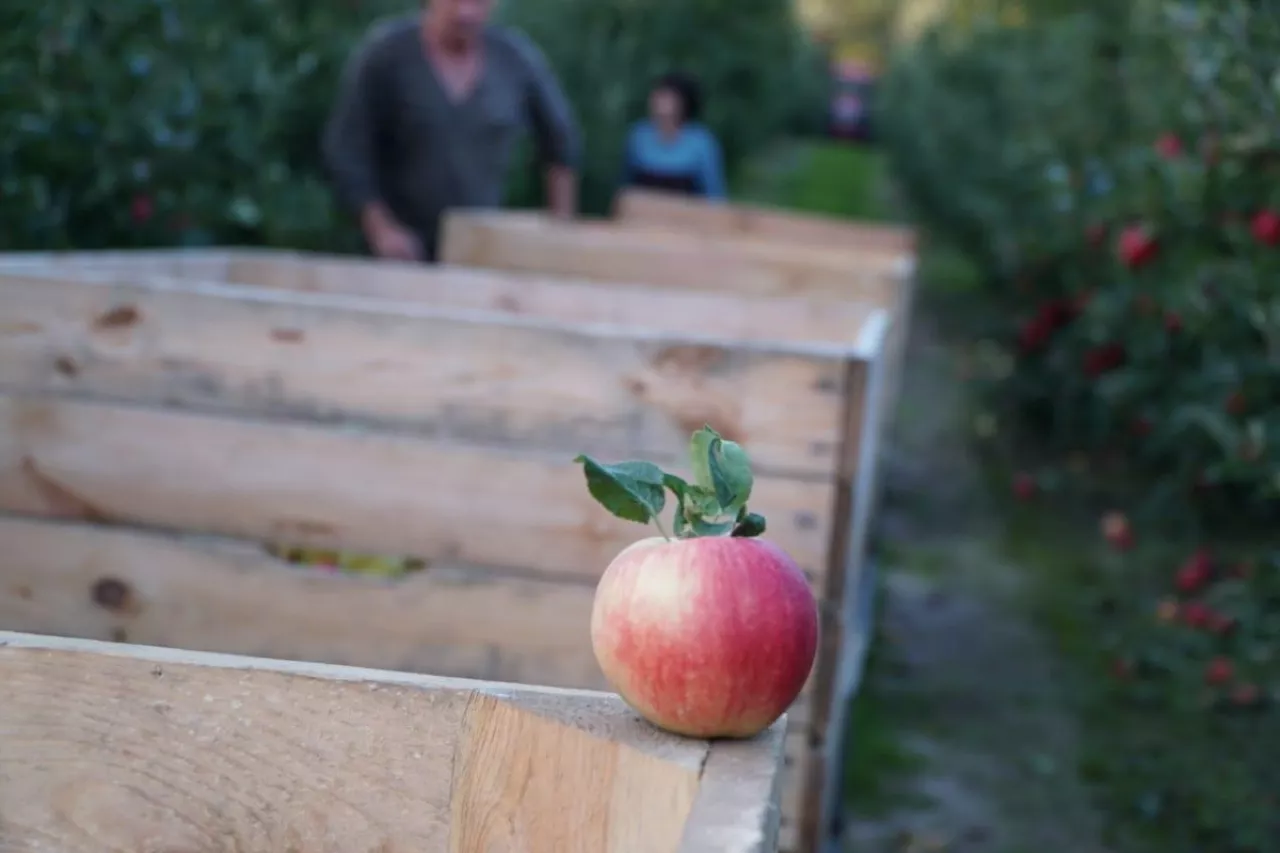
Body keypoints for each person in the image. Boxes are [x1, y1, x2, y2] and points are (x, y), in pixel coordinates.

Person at [323, 0, 582, 263]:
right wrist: (381, 230)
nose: (465, 13)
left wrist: (558, 235)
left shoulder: (514, 59)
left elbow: (561, 144)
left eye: (477, 3)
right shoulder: (387, 55)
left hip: (480, 252)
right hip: (397, 254)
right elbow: (347, 151)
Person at [619, 72, 726, 200]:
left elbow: (713, 192)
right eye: (657, 95)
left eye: (667, 97)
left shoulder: (701, 142)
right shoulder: (639, 136)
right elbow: (626, 183)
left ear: (683, 102)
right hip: (643, 212)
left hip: (686, 214)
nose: (658, 101)